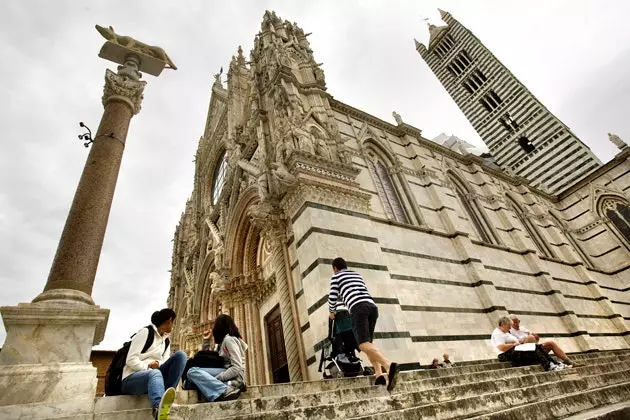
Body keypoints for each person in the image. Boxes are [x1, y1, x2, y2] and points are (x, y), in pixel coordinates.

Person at [328, 257, 400, 390]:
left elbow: (332, 298)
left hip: (358, 308)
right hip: (372, 307)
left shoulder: (336, 277)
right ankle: (379, 375)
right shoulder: (357, 275)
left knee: (362, 345)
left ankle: (389, 366)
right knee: (368, 344)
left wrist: (332, 312)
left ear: (335, 268)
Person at [121, 308, 187, 420]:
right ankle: (158, 409)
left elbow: (165, 362)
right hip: (132, 378)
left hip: (155, 377)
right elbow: (131, 359)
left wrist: (158, 363)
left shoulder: (166, 341)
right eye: (173, 322)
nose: (173, 325)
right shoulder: (146, 332)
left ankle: (165, 400)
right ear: (169, 320)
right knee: (155, 373)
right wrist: (148, 367)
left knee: (181, 356)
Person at [186, 314, 247, 402]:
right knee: (190, 381)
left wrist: (216, 379)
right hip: (225, 372)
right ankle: (228, 386)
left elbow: (237, 367)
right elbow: (208, 359)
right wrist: (206, 341)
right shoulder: (221, 344)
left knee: (192, 371)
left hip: (235, 375)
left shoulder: (229, 340)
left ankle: (225, 390)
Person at [491, 316, 564, 371]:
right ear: (503, 324)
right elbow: (500, 347)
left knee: (536, 346)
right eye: (509, 326)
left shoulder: (505, 332)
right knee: (534, 348)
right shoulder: (498, 333)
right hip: (504, 355)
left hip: (513, 350)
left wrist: (518, 342)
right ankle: (549, 366)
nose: (510, 328)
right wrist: (514, 345)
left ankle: (554, 363)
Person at [509, 315, 573, 366]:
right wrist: (524, 340)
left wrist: (535, 336)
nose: (516, 324)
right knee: (530, 338)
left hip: (535, 350)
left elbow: (535, 338)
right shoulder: (509, 332)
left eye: (517, 322)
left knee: (551, 343)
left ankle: (568, 361)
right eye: (514, 323)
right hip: (523, 354)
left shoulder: (523, 328)